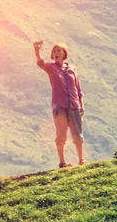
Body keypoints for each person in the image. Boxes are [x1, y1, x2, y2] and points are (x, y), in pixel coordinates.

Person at [34, 40, 86, 168]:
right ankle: (62, 162)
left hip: (74, 105)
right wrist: (37, 51)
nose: (56, 53)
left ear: (64, 53)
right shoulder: (51, 68)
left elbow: (78, 89)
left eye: (59, 51)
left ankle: (81, 160)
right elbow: (41, 63)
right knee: (61, 136)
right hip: (60, 107)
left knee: (77, 135)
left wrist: (81, 104)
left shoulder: (72, 69)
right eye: (54, 51)